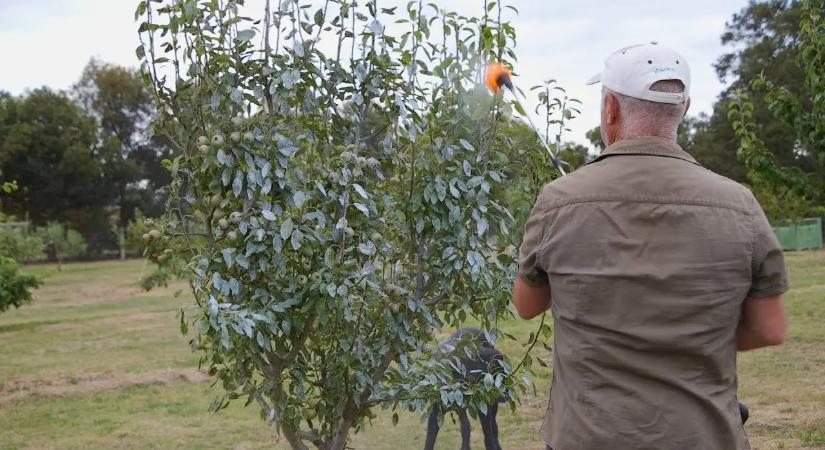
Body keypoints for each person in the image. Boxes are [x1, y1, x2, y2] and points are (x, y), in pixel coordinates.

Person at [512, 42, 789, 450]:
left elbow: (527, 305)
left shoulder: (559, 201)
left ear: (610, 109)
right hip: (702, 436)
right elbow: (770, 328)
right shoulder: (739, 204)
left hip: (587, 436)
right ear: (685, 108)